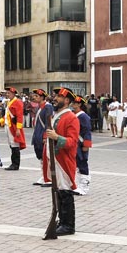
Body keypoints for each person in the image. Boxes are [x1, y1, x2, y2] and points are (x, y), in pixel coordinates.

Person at [44, 87, 80, 235]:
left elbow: (72, 142)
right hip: (55, 159)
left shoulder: (71, 117)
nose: (55, 98)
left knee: (65, 191)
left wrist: (57, 137)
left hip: (63, 160)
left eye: (58, 97)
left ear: (67, 100)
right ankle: (62, 220)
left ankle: (68, 224)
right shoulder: (57, 115)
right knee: (58, 191)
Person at [31, 88, 54, 187]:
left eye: (36, 96)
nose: (34, 98)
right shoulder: (39, 107)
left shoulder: (48, 107)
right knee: (40, 156)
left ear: (42, 97)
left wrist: (45, 136)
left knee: (46, 157)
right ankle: (43, 176)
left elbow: (48, 123)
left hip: (43, 135)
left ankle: (49, 178)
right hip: (38, 134)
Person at [72, 95, 93, 195]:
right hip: (75, 143)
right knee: (77, 164)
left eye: (75, 103)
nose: (73, 104)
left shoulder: (83, 116)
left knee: (82, 163)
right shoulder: (74, 115)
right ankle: (79, 185)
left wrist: (86, 145)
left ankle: (84, 186)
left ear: (79, 104)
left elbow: (87, 131)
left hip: (81, 144)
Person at [1, 87, 26, 171]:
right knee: (11, 144)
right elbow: (7, 114)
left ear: (13, 93)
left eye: (9, 93)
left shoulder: (17, 102)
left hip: (14, 127)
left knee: (15, 145)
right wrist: (2, 120)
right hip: (9, 125)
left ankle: (15, 164)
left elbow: (19, 116)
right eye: (7, 93)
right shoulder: (9, 102)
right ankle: (14, 163)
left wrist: (18, 128)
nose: (7, 94)